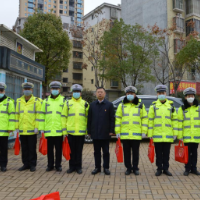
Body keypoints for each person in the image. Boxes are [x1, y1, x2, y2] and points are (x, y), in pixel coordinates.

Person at [115, 86, 148, 175]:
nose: (130, 95)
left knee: (136, 153)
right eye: (128, 94)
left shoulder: (140, 105)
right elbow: (118, 119)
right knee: (126, 153)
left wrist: (144, 131)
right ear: (126, 95)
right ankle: (128, 168)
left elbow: (144, 118)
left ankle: (135, 168)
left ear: (135, 95)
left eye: (132, 94)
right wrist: (117, 131)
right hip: (125, 134)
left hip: (136, 134)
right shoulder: (121, 105)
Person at [148, 85, 178, 176]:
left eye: (163, 93)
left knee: (166, 154)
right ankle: (159, 169)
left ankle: (166, 169)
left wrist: (175, 133)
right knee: (158, 154)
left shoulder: (171, 106)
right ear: (157, 94)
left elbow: (175, 120)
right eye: (159, 93)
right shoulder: (153, 106)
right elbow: (150, 120)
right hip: (157, 135)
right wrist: (150, 134)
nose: (161, 95)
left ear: (166, 94)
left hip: (168, 135)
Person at [62, 84, 89, 174]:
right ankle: (71, 167)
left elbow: (88, 118)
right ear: (72, 93)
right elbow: (63, 117)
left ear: (80, 93)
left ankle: (78, 167)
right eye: (74, 92)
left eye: (78, 92)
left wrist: (87, 130)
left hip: (81, 132)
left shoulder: (85, 104)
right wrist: (64, 131)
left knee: (79, 151)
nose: (76, 93)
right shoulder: (67, 103)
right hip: (70, 132)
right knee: (71, 151)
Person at [87, 87, 115, 175]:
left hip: (105, 133)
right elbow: (89, 119)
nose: (99, 93)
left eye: (101, 92)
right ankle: (97, 167)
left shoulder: (109, 105)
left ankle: (106, 168)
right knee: (96, 152)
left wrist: (111, 130)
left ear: (104, 94)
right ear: (96, 94)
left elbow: (112, 119)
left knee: (106, 151)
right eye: (98, 92)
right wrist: (89, 131)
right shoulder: (92, 105)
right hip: (95, 133)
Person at [39, 81, 65, 172]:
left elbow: (66, 116)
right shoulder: (45, 101)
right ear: (50, 89)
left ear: (59, 89)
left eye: (56, 89)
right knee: (49, 149)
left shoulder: (64, 101)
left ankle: (58, 165)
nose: (55, 90)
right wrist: (41, 128)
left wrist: (65, 130)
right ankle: (50, 165)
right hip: (48, 129)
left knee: (58, 149)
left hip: (59, 130)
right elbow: (41, 115)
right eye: (53, 89)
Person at [16, 82, 42, 172]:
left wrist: (37, 127)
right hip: (22, 129)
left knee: (32, 148)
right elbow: (17, 115)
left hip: (32, 129)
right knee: (24, 148)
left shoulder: (36, 101)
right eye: (25, 89)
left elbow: (38, 115)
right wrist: (16, 127)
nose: (27, 91)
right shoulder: (19, 101)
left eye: (29, 89)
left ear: (32, 90)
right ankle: (25, 164)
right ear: (23, 90)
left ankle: (32, 164)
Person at [178, 87, 200, 176]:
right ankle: (187, 169)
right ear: (185, 97)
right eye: (188, 96)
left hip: (196, 136)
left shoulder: (198, 108)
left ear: (194, 96)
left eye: (192, 95)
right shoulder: (182, 108)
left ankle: (194, 168)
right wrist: (180, 136)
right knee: (187, 153)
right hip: (186, 136)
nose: (190, 97)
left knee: (194, 153)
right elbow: (179, 122)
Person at [0, 82, 15, 172]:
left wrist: (11, 128)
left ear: (4, 91)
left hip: (4, 130)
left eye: (1, 90)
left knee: (3, 149)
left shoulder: (9, 102)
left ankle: (3, 165)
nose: (0, 92)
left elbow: (12, 116)